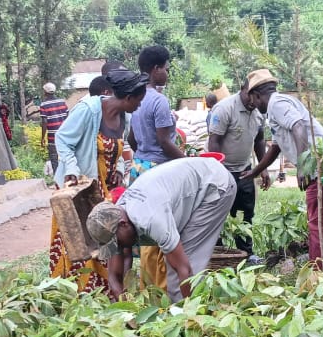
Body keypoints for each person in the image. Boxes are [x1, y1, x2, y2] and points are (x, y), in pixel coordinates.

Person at [49, 68, 149, 292]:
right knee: (80, 241)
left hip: (107, 188)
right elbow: (63, 139)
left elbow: (121, 147)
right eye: (138, 100)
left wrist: (119, 167)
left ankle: (108, 290)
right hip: (82, 187)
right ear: (127, 98)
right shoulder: (88, 110)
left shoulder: (125, 116)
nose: (140, 105)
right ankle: (78, 292)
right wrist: (72, 169)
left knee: (107, 239)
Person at [86, 156, 238, 303]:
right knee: (172, 262)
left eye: (116, 242)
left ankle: (188, 314)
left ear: (123, 224)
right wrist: (124, 306)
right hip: (184, 189)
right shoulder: (115, 215)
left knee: (181, 269)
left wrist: (188, 312)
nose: (117, 247)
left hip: (214, 186)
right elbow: (114, 275)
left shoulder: (150, 218)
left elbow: (184, 269)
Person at [244, 69, 323, 273]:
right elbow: (276, 147)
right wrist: (256, 171)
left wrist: (303, 166)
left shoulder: (277, 104)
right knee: (319, 224)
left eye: (252, 99)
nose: (253, 104)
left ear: (257, 95)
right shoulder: (276, 107)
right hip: (316, 167)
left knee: (320, 226)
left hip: (318, 168)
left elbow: (298, 127)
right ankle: (321, 273)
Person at [127, 45, 183, 290]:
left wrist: (143, 152)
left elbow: (131, 139)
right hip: (158, 170)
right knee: (160, 232)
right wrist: (189, 162)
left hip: (139, 167)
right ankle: (160, 288)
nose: (167, 74)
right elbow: (164, 142)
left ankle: (146, 285)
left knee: (144, 232)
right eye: (166, 69)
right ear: (155, 69)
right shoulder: (159, 101)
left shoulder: (137, 97)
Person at [207, 80, 270, 256]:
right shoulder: (224, 109)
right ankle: (217, 254)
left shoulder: (258, 110)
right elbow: (214, 142)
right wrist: (219, 173)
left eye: (256, 97)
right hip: (222, 170)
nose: (252, 100)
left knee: (245, 214)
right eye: (250, 95)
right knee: (217, 214)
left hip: (244, 171)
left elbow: (259, 140)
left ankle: (246, 254)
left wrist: (263, 168)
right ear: (243, 89)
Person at [37, 81, 68, 178]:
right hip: (64, 135)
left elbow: (44, 122)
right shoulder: (62, 102)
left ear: (45, 92)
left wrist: (42, 138)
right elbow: (68, 118)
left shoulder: (44, 105)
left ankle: (58, 178)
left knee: (54, 158)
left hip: (52, 137)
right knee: (66, 157)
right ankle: (68, 177)